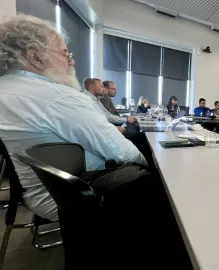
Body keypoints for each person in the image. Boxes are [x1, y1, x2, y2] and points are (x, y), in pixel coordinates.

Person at [0, 15, 191, 268]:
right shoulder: (56, 97)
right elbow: (121, 151)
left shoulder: (7, 89)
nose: (72, 60)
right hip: (75, 195)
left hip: (50, 189)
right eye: (65, 54)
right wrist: (158, 170)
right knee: (170, 196)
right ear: (35, 57)